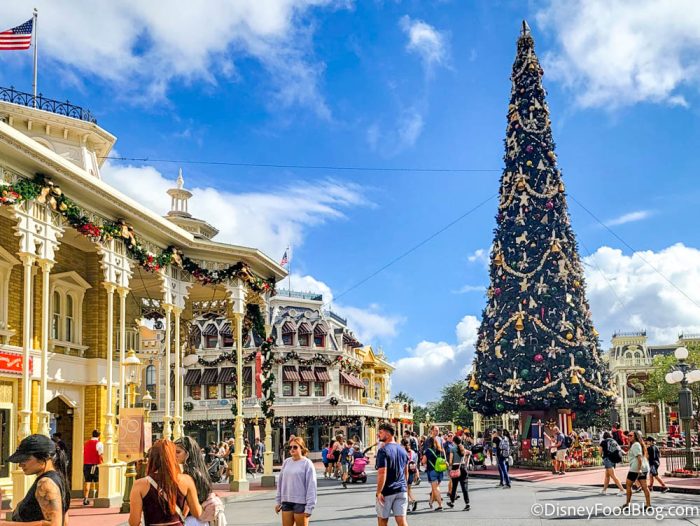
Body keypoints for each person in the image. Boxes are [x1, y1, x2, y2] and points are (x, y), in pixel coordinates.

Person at [129, 439, 203, 526]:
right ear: (173, 456)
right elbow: (197, 513)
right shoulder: (186, 480)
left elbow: (134, 522)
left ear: (152, 457)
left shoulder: (139, 484)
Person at [5, 434, 70, 526]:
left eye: (25, 459)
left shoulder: (45, 483)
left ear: (44, 457)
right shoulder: (58, 479)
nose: (20, 464)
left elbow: (54, 524)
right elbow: (65, 521)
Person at [174, 436, 224, 526]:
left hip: (191, 520)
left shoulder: (189, 473)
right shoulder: (200, 470)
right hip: (202, 520)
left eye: (178, 452)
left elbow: (187, 505)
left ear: (188, 454)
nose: (175, 455)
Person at [275, 437, 317, 526]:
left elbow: (311, 486)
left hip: (301, 502)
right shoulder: (286, 462)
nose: (292, 449)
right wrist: (278, 501)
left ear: (301, 448)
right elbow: (280, 483)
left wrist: (309, 507)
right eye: (290, 447)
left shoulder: (307, 463)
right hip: (286, 501)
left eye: (295, 447)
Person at [375, 423, 409, 526]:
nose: (378, 435)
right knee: (402, 521)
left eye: (380, 432)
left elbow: (382, 473)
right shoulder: (403, 450)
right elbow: (405, 472)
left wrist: (379, 492)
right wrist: (405, 486)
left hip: (387, 491)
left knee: (382, 520)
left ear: (388, 434)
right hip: (401, 490)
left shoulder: (383, 451)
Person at [621, 430, 651, 511]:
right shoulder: (637, 444)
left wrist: (639, 469)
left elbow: (639, 458)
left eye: (631, 435)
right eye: (628, 435)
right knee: (644, 486)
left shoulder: (635, 445)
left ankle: (628, 503)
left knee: (628, 485)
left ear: (635, 437)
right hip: (643, 467)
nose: (629, 437)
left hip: (636, 467)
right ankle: (648, 505)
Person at [422, 425, 445, 511]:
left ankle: (440, 505)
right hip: (440, 468)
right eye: (435, 430)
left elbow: (424, 460)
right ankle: (431, 501)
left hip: (432, 469)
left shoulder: (428, 449)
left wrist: (422, 463)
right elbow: (443, 455)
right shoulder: (439, 448)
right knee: (435, 487)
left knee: (435, 487)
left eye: (437, 430)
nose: (437, 431)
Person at [446, 436, 470, 510]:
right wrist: (466, 462)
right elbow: (469, 453)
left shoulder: (452, 449)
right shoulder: (463, 448)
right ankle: (467, 503)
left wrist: (449, 466)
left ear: (454, 442)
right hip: (463, 467)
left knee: (454, 486)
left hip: (455, 467)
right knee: (464, 487)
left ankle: (452, 502)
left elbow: (450, 460)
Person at [599, 431, 624, 495]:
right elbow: (619, 449)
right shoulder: (613, 441)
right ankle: (604, 490)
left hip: (607, 459)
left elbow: (600, 452)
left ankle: (622, 489)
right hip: (613, 459)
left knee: (613, 475)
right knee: (607, 475)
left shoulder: (603, 442)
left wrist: (601, 456)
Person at [82, 429, 104, 505]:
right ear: (99, 435)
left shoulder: (86, 443)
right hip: (95, 464)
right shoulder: (99, 443)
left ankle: (85, 498)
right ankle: (99, 497)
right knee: (98, 481)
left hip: (86, 464)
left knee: (87, 481)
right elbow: (100, 454)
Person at [401, 438, 418, 513]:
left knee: (406, 489)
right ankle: (411, 502)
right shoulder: (413, 452)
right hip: (411, 471)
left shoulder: (402, 452)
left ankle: (409, 504)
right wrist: (416, 474)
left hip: (404, 471)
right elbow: (415, 463)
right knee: (409, 488)